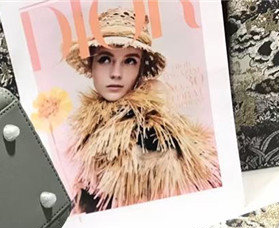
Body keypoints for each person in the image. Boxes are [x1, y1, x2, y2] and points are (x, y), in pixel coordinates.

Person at [65, 8, 221, 213]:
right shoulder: (92, 125)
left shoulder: (148, 128)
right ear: (91, 65)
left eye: (130, 61)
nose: (116, 73)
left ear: (140, 69)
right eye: (105, 59)